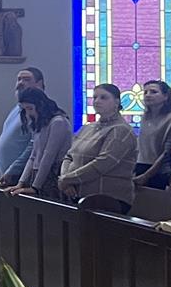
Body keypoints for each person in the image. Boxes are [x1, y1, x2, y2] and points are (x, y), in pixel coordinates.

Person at [57, 83, 137, 211]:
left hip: (108, 198)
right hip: (77, 193)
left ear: (116, 102)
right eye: (95, 97)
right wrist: (65, 179)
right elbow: (69, 156)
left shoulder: (121, 130)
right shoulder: (88, 127)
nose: (97, 101)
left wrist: (68, 179)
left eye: (103, 97)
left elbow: (103, 163)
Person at [4, 87, 69, 199]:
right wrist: (21, 183)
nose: (28, 114)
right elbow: (33, 156)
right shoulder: (39, 124)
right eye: (25, 110)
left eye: (30, 108)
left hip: (53, 174)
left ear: (41, 105)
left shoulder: (58, 122)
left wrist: (35, 187)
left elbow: (49, 155)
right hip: (38, 173)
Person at [0, 65, 42, 179]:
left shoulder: (38, 110)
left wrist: (13, 170)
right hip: (5, 174)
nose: (20, 83)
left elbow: (33, 146)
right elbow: (7, 139)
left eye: (26, 80)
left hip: (21, 175)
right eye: (19, 79)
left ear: (39, 84)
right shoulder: (18, 109)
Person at [134, 79, 171, 177]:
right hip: (141, 164)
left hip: (159, 169)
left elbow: (167, 152)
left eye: (153, 92)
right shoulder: (145, 117)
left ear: (166, 96)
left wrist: (147, 175)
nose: (148, 95)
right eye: (145, 92)